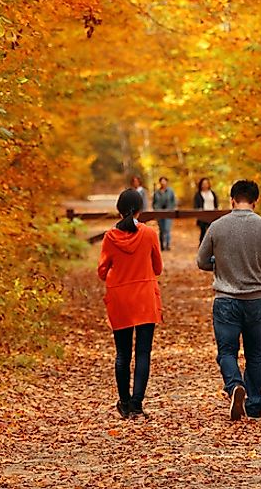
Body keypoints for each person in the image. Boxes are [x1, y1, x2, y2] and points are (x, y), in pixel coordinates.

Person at [196, 179, 261, 421]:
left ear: (232, 200)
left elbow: (202, 261)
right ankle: (254, 405)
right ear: (255, 201)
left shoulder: (217, 227)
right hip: (254, 300)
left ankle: (235, 384)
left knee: (227, 352)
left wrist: (219, 262)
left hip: (225, 299)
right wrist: (257, 263)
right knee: (255, 354)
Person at [98, 188, 163, 419]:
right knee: (143, 353)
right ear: (140, 210)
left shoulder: (109, 237)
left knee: (122, 354)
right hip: (145, 297)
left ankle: (124, 403)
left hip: (120, 299)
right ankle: (137, 404)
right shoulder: (149, 233)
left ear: (118, 210)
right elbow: (158, 268)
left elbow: (102, 271)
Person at [152, 176, 177, 251]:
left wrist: (172, 209)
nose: (163, 183)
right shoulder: (157, 192)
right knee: (162, 230)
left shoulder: (170, 191)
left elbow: (174, 201)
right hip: (159, 213)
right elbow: (154, 203)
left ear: (166, 182)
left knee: (167, 229)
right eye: (161, 181)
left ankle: (167, 245)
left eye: (164, 181)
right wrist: (156, 209)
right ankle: (162, 245)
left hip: (168, 213)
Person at [193, 177, 219, 243]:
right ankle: (202, 247)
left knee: (213, 231)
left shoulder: (212, 193)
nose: (205, 185)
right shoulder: (198, 194)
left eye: (206, 183)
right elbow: (196, 205)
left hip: (212, 215)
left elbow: (216, 203)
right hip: (203, 215)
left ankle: (213, 246)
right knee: (203, 232)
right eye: (203, 183)